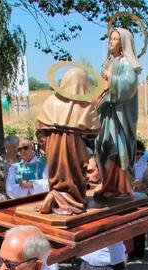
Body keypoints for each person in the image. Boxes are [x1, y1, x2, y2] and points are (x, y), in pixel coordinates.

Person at [35, 67, 100, 214]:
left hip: (52, 146)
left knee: (57, 173)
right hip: (74, 147)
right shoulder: (84, 106)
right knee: (75, 175)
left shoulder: (50, 101)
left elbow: (40, 125)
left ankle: (56, 195)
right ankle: (72, 200)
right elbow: (94, 130)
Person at [95, 27, 141, 197]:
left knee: (117, 148)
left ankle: (123, 187)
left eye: (114, 39)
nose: (111, 42)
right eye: (110, 38)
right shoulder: (107, 63)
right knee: (103, 147)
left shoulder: (127, 63)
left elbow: (129, 85)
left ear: (122, 43)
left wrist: (111, 81)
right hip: (106, 113)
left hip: (120, 117)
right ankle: (107, 183)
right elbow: (101, 86)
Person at [0, 134, 20, 201]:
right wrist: (10, 189)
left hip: (20, 196)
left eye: (17, 146)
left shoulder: (21, 159)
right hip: (5, 198)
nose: (16, 149)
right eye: (14, 147)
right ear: (7, 147)